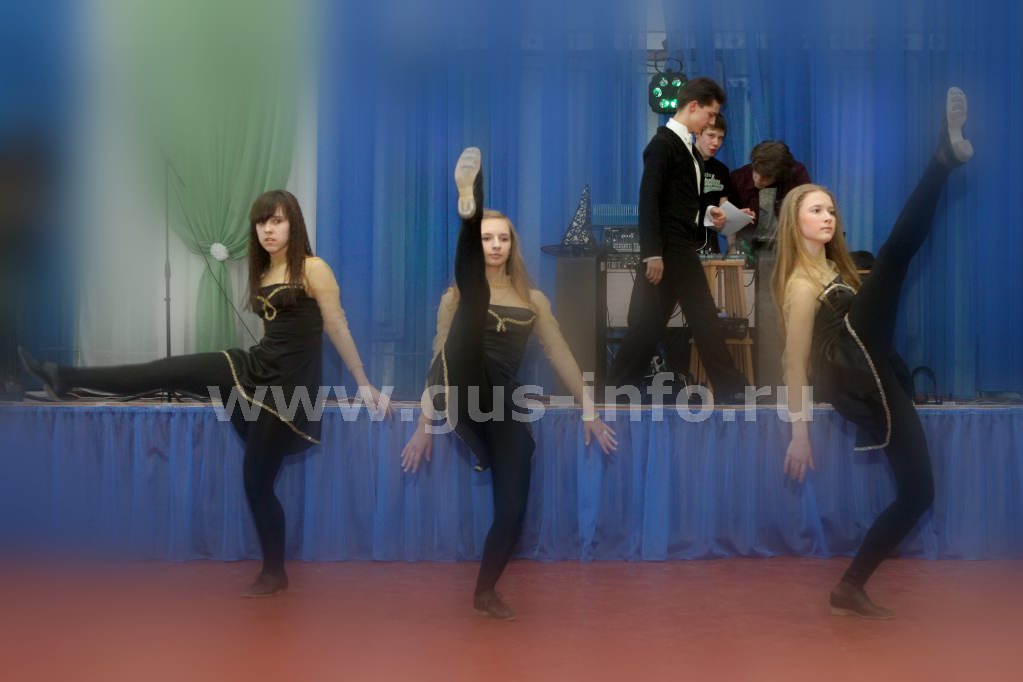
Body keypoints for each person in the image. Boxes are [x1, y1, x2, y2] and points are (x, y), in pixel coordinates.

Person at [20, 189, 389, 598]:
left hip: (288, 390)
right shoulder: (264, 272)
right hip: (254, 369)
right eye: (261, 221)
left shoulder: (314, 268)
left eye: (278, 220)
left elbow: (336, 326)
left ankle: (275, 574)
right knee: (166, 371)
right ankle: (64, 378)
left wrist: (364, 383)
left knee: (256, 483)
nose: (268, 229)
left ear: (294, 224)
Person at [774, 88, 972, 619]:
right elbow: (794, 362)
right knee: (893, 259)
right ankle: (943, 158)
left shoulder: (836, 271)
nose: (828, 216)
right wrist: (798, 432)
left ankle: (849, 587)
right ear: (795, 221)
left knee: (919, 493)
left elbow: (873, 324)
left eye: (831, 209)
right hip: (845, 364)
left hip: (873, 370)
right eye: (816, 209)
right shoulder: (799, 284)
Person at [400, 148, 617, 621]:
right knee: (472, 299)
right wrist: (423, 423)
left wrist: (590, 409)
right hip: (462, 384)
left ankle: (485, 591)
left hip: (501, 405)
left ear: (512, 245)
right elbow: (439, 360)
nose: (496, 245)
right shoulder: (456, 297)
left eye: (502, 238)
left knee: (513, 509)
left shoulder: (533, 300)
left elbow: (560, 353)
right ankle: (468, 202)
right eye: (486, 238)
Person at [606, 77, 749, 403]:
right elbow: (649, 200)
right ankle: (733, 389)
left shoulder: (687, 150)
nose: (711, 122)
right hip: (671, 246)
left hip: (678, 244)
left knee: (649, 324)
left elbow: (679, 203)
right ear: (694, 106)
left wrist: (709, 213)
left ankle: (615, 389)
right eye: (710, 115)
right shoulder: (663, 144)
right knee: (703, 315)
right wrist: (652, 253)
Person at [693, 114, 755, 253]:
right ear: (697, 133)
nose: (716, 142)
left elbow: (723, 209)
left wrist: (736, 216)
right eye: (711, 135)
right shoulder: (683, 162)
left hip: (709, 244)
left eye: (720, 138)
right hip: (683, 241)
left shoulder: (721, 170)